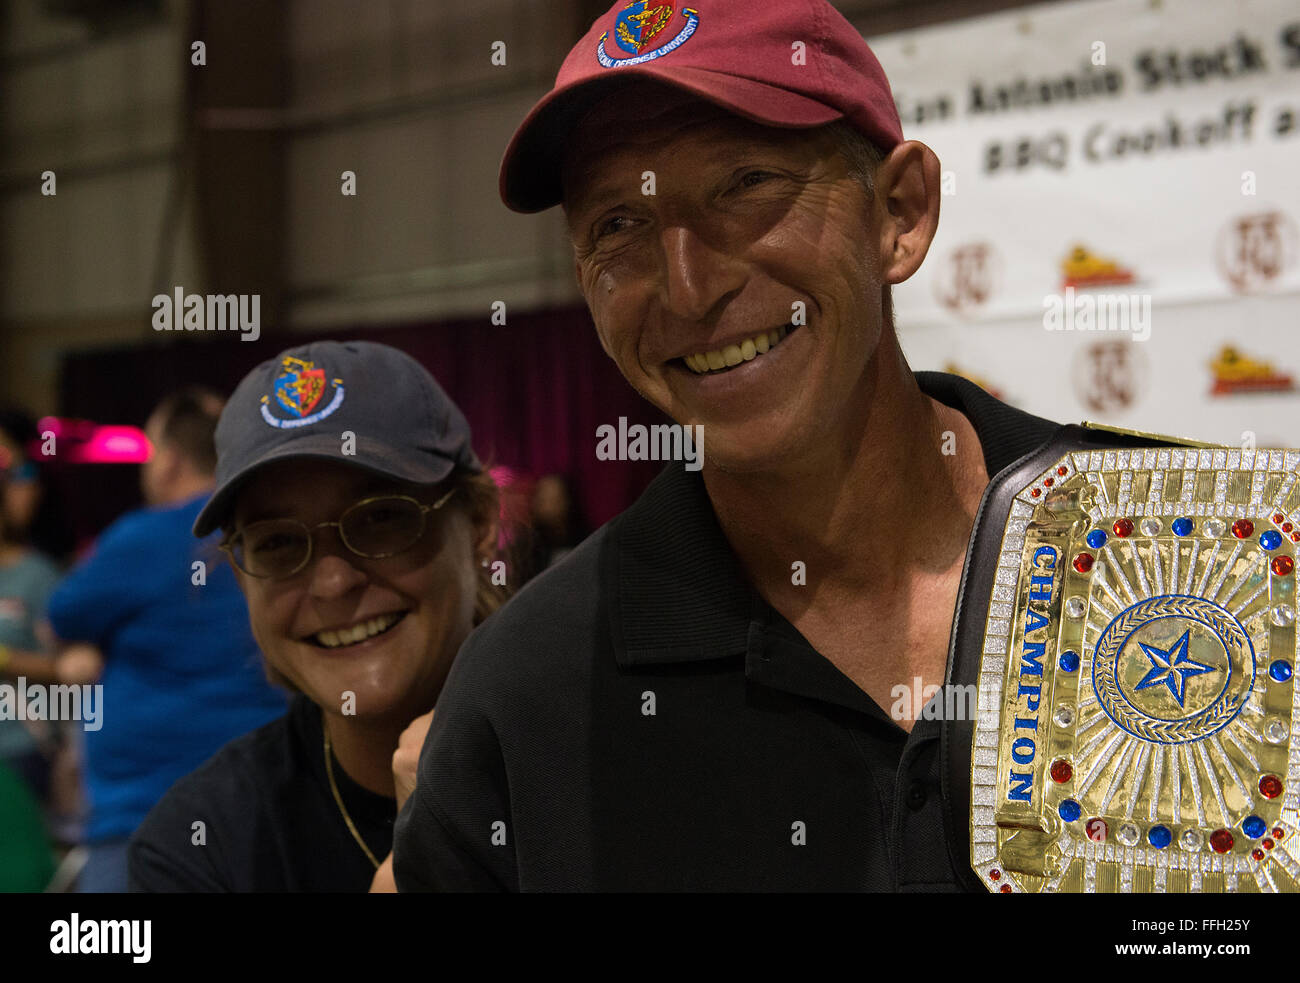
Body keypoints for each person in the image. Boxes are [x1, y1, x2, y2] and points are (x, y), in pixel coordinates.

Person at [392, 0, 1069, 891]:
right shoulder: (526, 695)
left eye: (747, 183)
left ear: (900, 212)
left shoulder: (1187, 544)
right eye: (619, 227)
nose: (688, 286)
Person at [128, 341, 501, 891]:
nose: (332, 583)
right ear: (241, 579)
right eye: (278, 542)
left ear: (477, 528)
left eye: (380, 519)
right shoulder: (198, 848)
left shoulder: (595, 765)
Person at [47, 387, 289, 892]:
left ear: (170, 461)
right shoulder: (265, 532)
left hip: (145, 822)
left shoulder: (142, 538)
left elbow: (60, 618)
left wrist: (90, 645)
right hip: (269, 812)